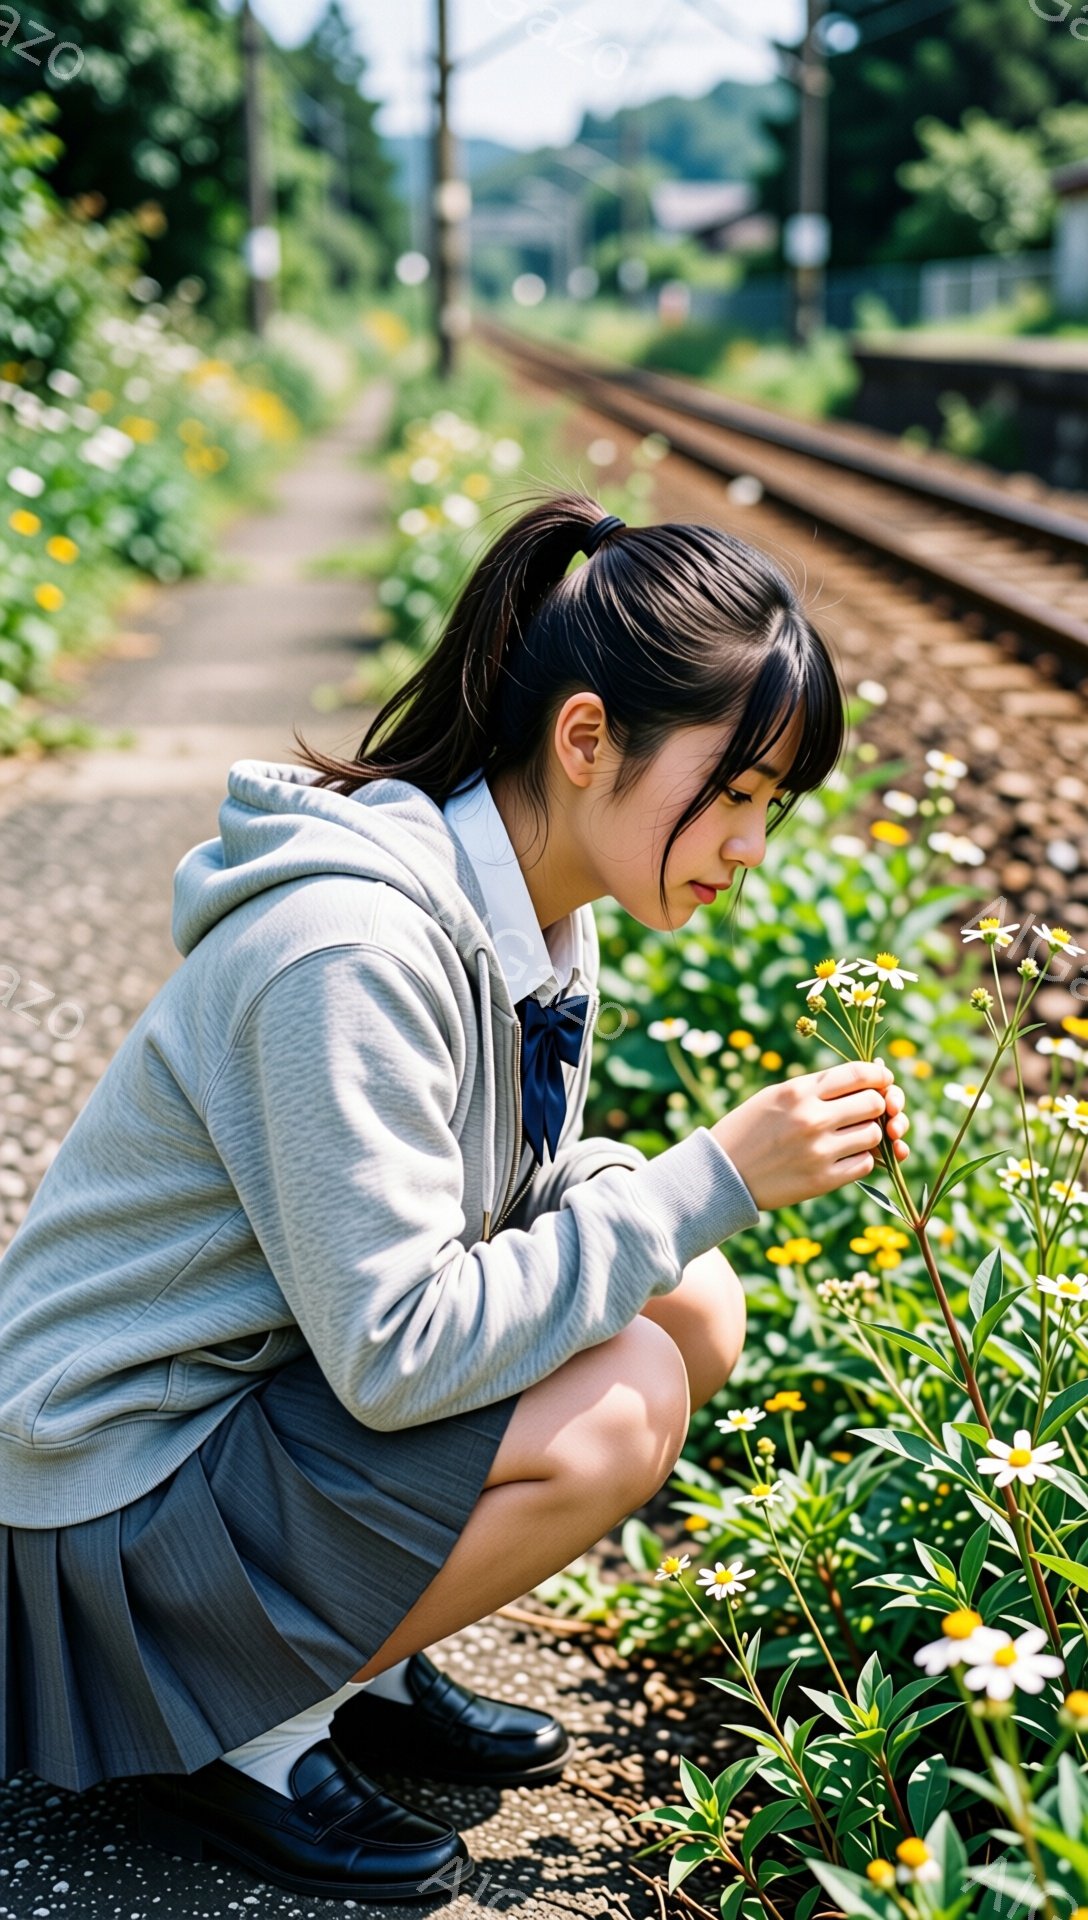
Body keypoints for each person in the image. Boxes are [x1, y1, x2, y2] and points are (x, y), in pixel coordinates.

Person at [0, 490, 909, 1904]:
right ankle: (240, 1732)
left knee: (692, 1306)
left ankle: (353, 1659)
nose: (749, 847)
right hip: (106, 1500)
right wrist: (706, 1179)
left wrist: (666, 1208)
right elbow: (401, 1348)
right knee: (623, 1407)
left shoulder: (540, 912)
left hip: (243, 1405)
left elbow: (502, 1206)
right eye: (730, 794)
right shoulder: (348, 949)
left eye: (769, 806)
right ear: (589, 739)